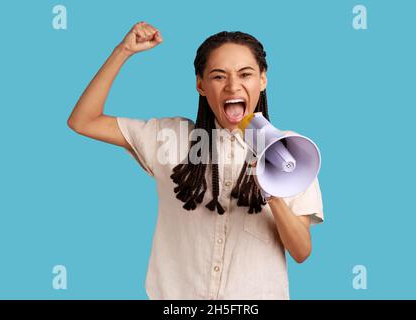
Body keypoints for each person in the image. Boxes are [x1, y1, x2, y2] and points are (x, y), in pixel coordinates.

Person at [67, 21, 324, 300]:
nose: (232, 86)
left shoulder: (291, 151)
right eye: (218, 76)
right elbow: (83, 121)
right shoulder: (169, 138)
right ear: (200, 84)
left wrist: (273, 192)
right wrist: (123, 51)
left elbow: (301, 251)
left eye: (245, 74)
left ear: (262, 80)